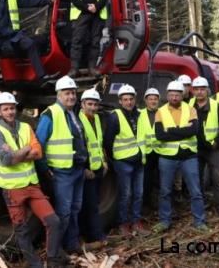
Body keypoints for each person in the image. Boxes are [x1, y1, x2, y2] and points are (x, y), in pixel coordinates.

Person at [0, 92, 65, 268]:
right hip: (12, 190)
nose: (10, 112)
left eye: (12, 108)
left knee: (53, 221)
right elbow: (7, 160)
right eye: (6, 109)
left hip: (32, 186)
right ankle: (35, 264)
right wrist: (26, 149)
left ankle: (53, 260)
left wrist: (18, 153)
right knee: (22, 231)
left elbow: (38, 153)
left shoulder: (26, 127)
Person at [35, 76, 87, 254]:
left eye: (73, 93)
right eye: (67, 93)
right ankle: (56, 250)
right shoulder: (50, 114)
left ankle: (71, 243)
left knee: (75, 209)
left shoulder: (74, 113)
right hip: (62, 172)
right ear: (59, 95)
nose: (71, 96)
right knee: (63, 212)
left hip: (78, 169)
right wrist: (45, 169)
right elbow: (38, 144)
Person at [153, 81, 208, 233]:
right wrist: (182, 130)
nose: (174, 97)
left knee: (195, 191)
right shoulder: (160, 111)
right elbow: (160, 135)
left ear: (182, 95)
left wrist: (171, 130)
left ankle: (199, 221)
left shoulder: (191, 109)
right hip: (167, 157)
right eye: (171, 94)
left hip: (188, 156)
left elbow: (194, 130)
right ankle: (165, 221)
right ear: (167, 95)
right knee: (165, 191)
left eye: (177, 94)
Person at [103, 84, 150, 237]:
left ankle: (136, 222)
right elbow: (108, 141)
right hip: (123, 162)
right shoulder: (115, 116)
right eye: (125, 99)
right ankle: (123, 224)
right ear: (120, 101)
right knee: (125, 195)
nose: (129, 102)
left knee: (139, 194)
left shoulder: (141, 114)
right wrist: (115, 158)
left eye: (131, 99)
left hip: (139, 161)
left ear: (135, 99)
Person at [189, 76, 219, 215]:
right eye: (196, 89)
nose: (199, 92)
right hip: (195, 149)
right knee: (196, 179)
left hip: (213, 149)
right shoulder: (188, 106)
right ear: (192, 91)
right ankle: (200, 205)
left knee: (218, 179)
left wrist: (217, 142)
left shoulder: (216, 106)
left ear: (207, 90)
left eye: (202, 89)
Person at [76, 88, 107, 244]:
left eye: (95, 104)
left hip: (98, 168)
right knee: (90, 205)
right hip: (88, 170)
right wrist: (84, 169)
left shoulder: (96, 120)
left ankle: (88, 234)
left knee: (92, 203)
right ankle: (96, 236)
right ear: (82, 104)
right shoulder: (78, 122)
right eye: (90, 104)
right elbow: (78, 148)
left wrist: (104, 162)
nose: (93, 107)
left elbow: (98, 144)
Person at [141, 88, 161, 209]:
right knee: (146, 181)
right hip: (146, 152)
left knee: (161, 180)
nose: (153, 101)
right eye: (150, 99)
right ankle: (146, 205)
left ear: (158, 100)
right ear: (146, 100)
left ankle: (159, 205)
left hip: (160, 151)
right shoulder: (140, 113)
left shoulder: (163, 113)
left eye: (155, 99)